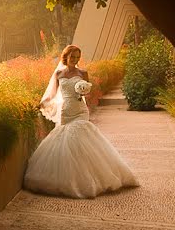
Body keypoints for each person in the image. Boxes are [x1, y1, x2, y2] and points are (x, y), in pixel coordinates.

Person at [23, 45, 139, 198]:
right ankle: (67, 179)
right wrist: (41, 103)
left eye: (78, 57)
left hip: (80, 110)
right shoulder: (58, 73)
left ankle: (90, 179)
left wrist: (83, 91)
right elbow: (51, 95)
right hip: (66, 111)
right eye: (73, 57)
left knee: (80, 137)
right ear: (66, 57)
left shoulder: (83, 73)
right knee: (65, 140)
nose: (75, 60)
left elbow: (88, 93)